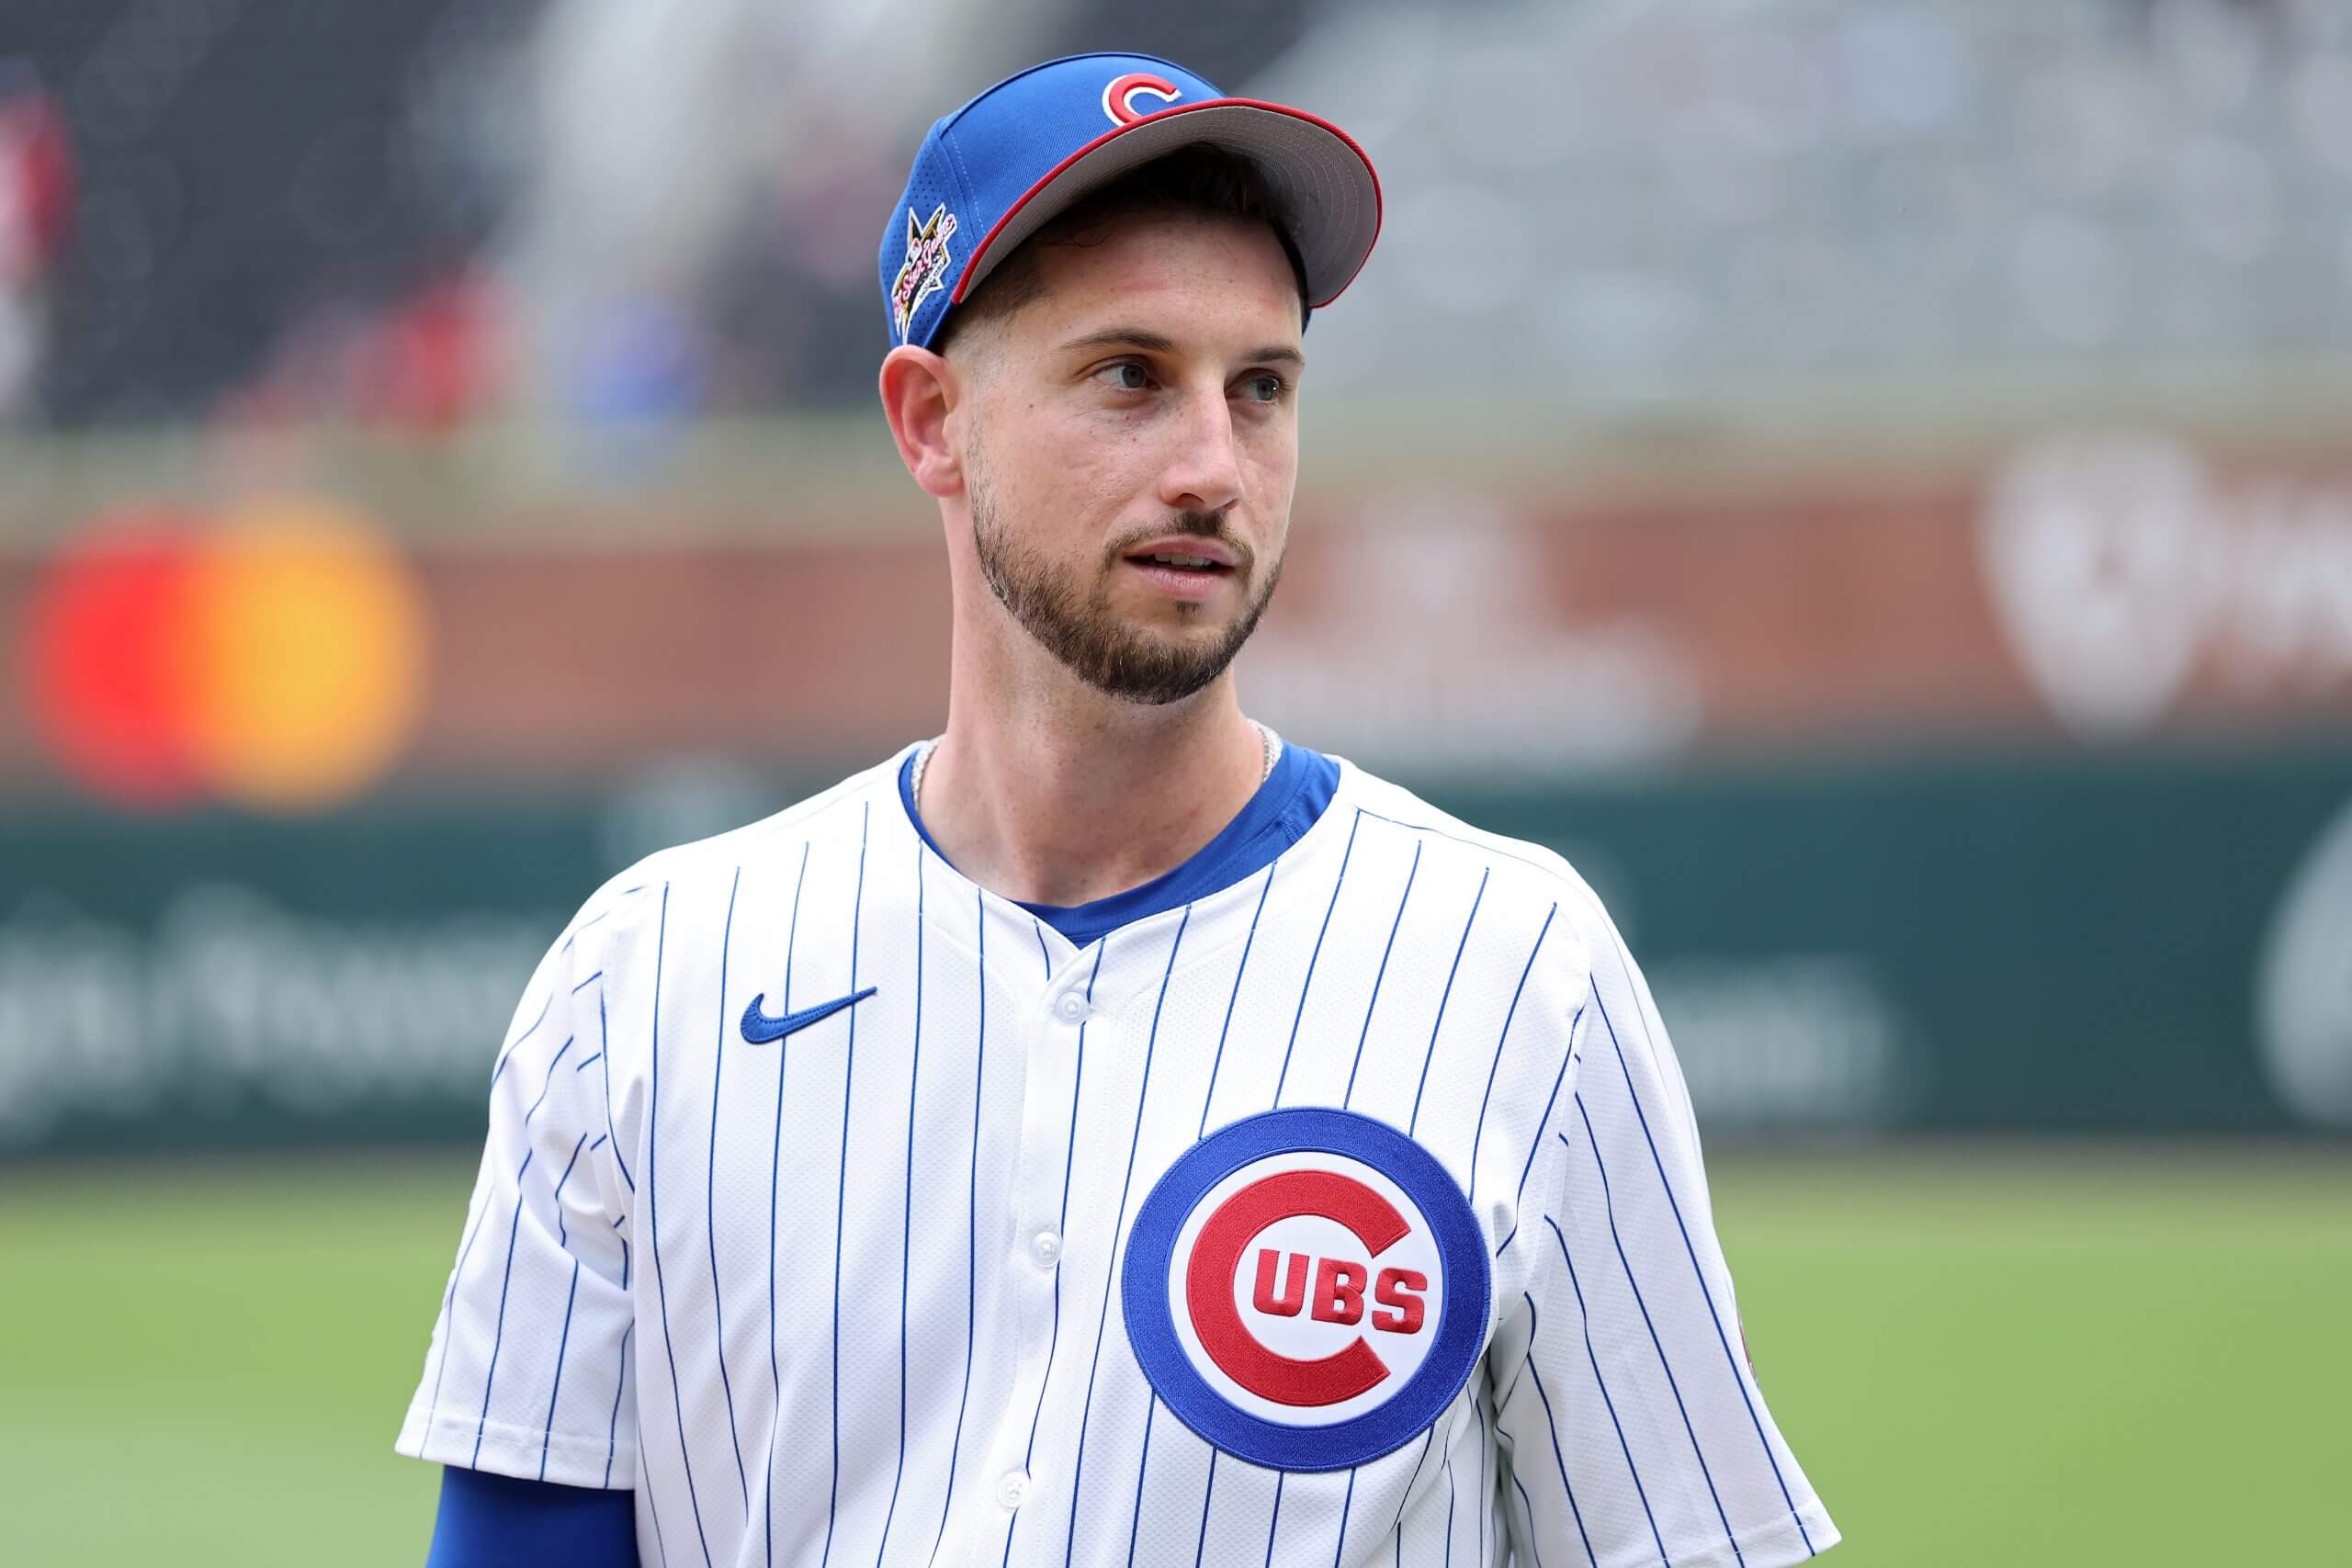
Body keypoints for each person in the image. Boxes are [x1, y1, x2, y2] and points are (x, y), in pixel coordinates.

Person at [400, 51, 1841, 1567]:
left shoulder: (1515, 966)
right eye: (1131, 377)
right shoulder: (643, 981)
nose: (1214, 468)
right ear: (930, 420)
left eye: (1262, 389)